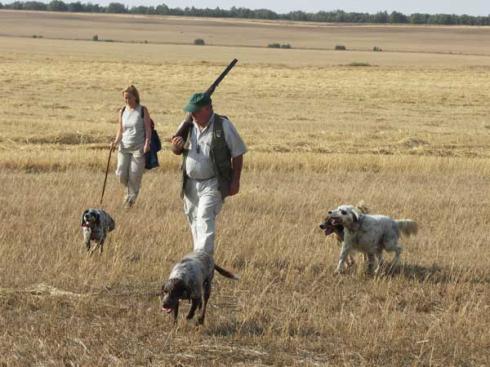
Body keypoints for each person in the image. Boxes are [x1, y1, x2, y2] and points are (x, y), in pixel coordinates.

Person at [171, 93, 247, 255]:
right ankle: (201, 258)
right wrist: (176, 147)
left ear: (207, 109)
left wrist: (235, 181)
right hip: (190, 183)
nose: (192, 114)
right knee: (194, 220)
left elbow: (238, 153)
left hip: (213, 182)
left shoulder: (223, 125)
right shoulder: (188, 124)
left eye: (195, 111)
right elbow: (175, 149)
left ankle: (201, 258)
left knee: (204, 217)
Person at [111, 85, 152, 208]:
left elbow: (148, 129)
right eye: (125, 98)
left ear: (135, 97)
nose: (126, 100)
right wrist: (115, 142)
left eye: (128, 97)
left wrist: (147, 143)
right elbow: (120, 130)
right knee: (121, 174)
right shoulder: (122, 111)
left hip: (138, 149)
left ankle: (129, 203)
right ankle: (129, 192)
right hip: (124, 148)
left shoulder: (142, 110)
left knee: (134, 176)